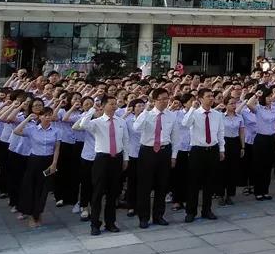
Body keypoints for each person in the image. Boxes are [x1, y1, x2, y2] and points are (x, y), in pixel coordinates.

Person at [73, 95, 128, 235]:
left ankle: (110, 222)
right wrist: (92, 109)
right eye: (111, 104)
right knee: (97, 192)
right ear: (103, 106)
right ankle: (95, 224)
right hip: (102, 159)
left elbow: (125, 141)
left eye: (115, 104)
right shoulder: (97, 122)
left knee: (113, 192)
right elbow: (83, 124)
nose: (114, 106)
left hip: (117, 158)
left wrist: (125, 159)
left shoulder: (121, 121)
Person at [133, 87, 179, 229]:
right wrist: (145, 112)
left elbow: (175, 137)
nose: (165, 101)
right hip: (148, 151)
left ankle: (159, 215)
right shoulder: (147, 114)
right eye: (162, 99)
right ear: (154, 100)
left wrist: (173, 156)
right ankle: (143, 217)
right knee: (144, 186)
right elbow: (136, 128)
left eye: (167, 98)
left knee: (162, 185)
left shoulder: (172, 115)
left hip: (164, 151)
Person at [181, 88, 225, 223]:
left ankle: (207, 210)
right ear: (200, 99)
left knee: (209, 182)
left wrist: (222, 149)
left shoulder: (217, 114)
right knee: (194, 183)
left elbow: (220, 132)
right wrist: (192, 109)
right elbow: (185, 124)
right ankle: (191, 211)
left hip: (213, 149)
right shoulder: (194, 113)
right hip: (197, 150)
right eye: (208, 96)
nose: (211, 98)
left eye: (212, 96)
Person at [13, 107, 60, 229]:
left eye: (50, 115)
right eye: (45, 115)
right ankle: (31, 215)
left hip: (48, 162)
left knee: (44, 189)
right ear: (40, 116)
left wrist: (54, 163)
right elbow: (16, 131)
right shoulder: (32, 129)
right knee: (32, 188)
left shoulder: (56, 130)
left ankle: (38, 213)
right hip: (34, 161)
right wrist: (28, 118)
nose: (47, 117)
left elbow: (57, 148)